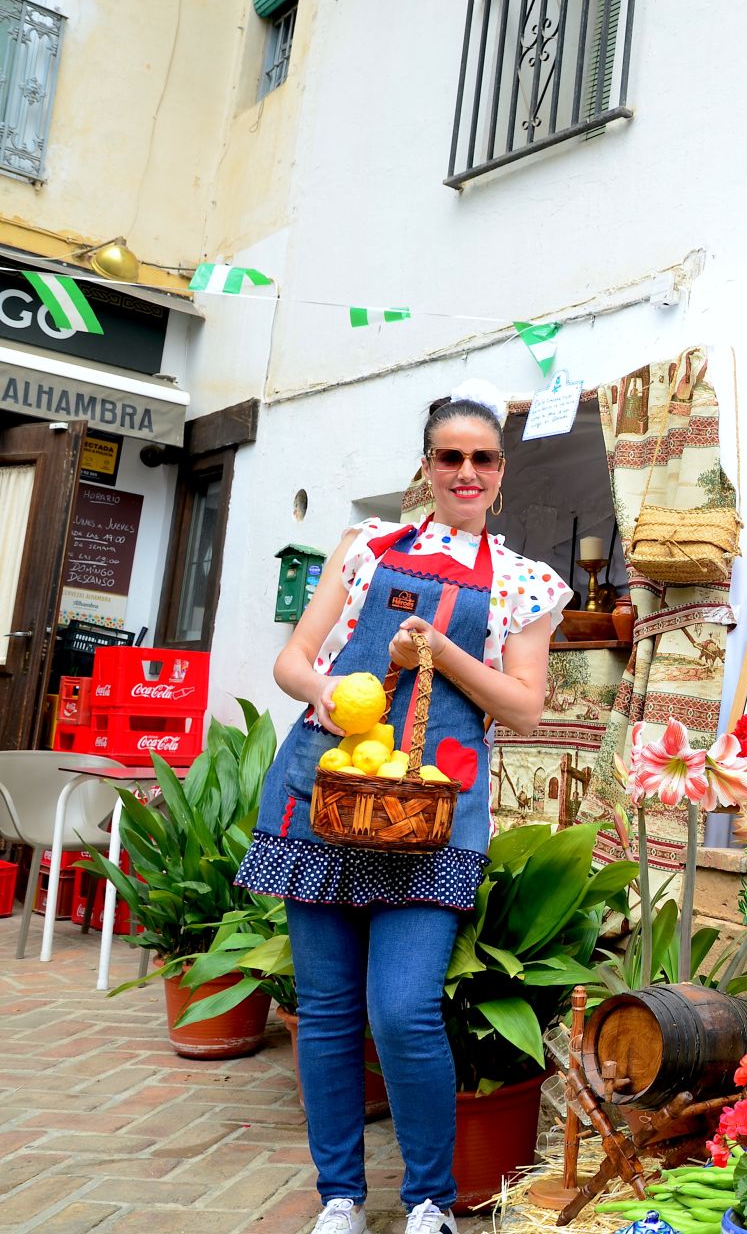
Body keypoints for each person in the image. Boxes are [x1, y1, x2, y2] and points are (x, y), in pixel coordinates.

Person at [235, 381, 571, 1234]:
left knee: (404, 1008)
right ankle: (340, 1195)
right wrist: (329, 691)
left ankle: (428, 1200)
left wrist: (444, 651)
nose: (466, 471)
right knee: (328, 1010)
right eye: (449, 456)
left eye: (482, 458)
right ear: (426, 466)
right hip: (327, 793)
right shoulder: (364, 546)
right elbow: (294, 659)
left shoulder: (527, 585)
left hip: (435, 810)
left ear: (501, 471)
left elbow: (524, 706)